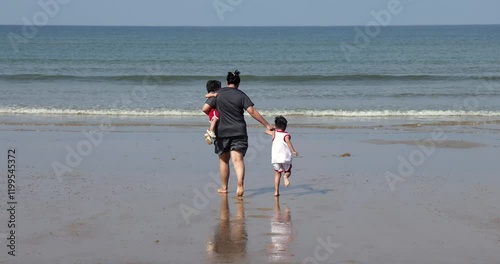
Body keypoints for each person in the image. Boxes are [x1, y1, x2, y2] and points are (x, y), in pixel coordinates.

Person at [202, 70, 273, 197]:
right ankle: (240, 183)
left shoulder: (218, 94)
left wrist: (215, 113)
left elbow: (205, 108)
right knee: (238, 159)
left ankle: (224, 187)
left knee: (224, 160)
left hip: (222, 132)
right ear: (238, 84)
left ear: (227, 82)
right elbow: (251, 111)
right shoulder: (241, 95)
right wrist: (266, 125)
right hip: (239, 131)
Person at [265, 115, 299, 196]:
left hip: (276, 158)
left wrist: (273, 128)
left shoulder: (274, 133)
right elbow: (288, 142)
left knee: (277, 174)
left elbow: (266, 131)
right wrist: (293, 151)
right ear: (286, 126)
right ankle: (286, 177)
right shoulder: (286, 135)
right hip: (285, 158)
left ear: (276, 125)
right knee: (288, 171)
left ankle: (276, 191)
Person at [204, 80, 221, 144]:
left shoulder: (214, 94)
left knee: (214, 123)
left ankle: (208, 135)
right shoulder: (212, 94)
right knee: (215, 118)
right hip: (213, 111)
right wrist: (213, 95)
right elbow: (206, 95)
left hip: (212, 112)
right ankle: (210, 131)